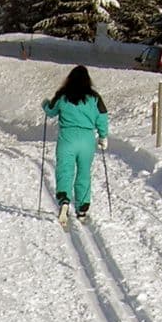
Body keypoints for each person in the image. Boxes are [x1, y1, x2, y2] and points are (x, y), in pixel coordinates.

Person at [41, 66, 109, 223]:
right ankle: (82, 209)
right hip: (87, 140)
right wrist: (103, 137)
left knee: (65, 170)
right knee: (84, 173)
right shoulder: (95, 98)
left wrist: (45, 103)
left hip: (67, 139)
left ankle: (64, 199)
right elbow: (102, 117)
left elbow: (50, 111)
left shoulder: (63, 96)